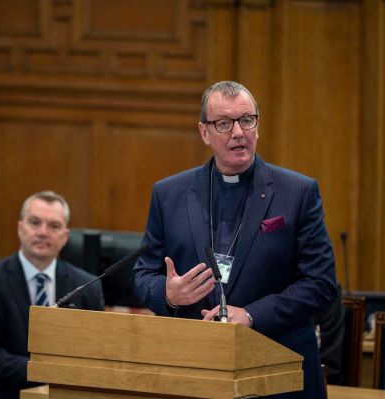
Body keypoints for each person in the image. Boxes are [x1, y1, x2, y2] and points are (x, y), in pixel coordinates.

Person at [131, 81, 337, 399]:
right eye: (224, 124)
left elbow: (321, 282)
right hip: (195, 374)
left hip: (277, 373)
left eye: (247, 120)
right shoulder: (168, 194)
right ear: (204, 132)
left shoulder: (298, 192)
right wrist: (169, 295)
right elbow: (143, 273)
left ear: (258, 124)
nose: (238, 132)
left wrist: (252, 315)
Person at [0, 191, 104, 399]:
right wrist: (50, 372)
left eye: (53, 226)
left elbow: (95, 353)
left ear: (65, 237)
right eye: (35, 223)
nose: (43, 232)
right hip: (1, 392)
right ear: (20, 228)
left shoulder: (87, 285)